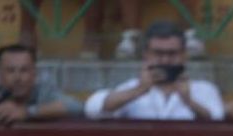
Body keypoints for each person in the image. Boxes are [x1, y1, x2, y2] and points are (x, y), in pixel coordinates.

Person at [84, 21, 222, 121]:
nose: (165, 60)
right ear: (146, 55)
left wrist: (189, 101)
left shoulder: (204, 89)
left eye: (172, 53)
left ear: (184, 55)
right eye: (158, 53)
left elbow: (217, 118)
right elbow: (93, 109)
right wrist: (139, 90)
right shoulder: (131, 88)